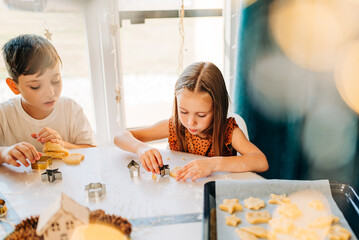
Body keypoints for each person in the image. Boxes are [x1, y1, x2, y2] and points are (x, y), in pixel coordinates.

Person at [114, 62, 268, 181]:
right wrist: (141, 148)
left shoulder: (229, 132)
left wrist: (213, 164)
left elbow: (261, 161)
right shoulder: (175, 126)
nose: (190, 122)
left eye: (201, 115)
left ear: (217, 109)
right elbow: (120, 137)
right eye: (183, 111)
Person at [0, 34, 96, 168]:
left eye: (56, 80)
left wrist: (62, 145)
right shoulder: (3, 115)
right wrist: (3, 153)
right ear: (14, 86)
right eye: (36, 86)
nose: (51, 93)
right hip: (16, 189)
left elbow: (93, 151)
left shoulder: (71, 110)